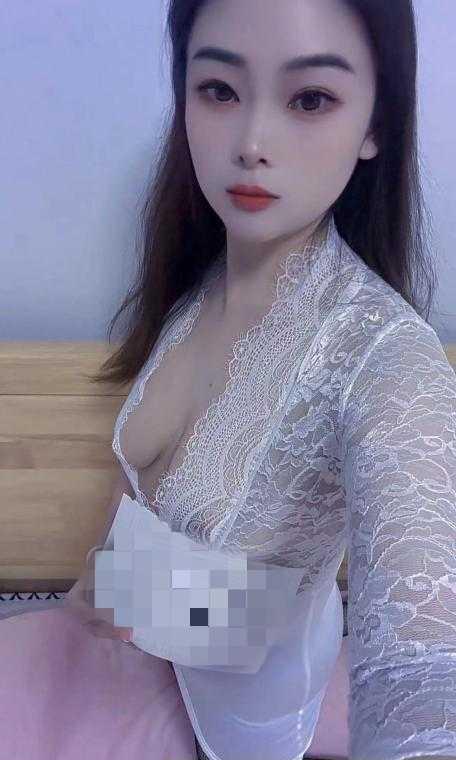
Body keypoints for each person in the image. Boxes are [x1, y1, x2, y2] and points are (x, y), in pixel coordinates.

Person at [2, 1, 455, 759]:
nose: (251, 144)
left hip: (236, 729)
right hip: (129, 653)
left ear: (376, 123)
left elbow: (424, 671)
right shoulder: (197, 282)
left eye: (311, 99)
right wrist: (116, 588)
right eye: (219, 90)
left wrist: (148, 600)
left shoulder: (385, 361)